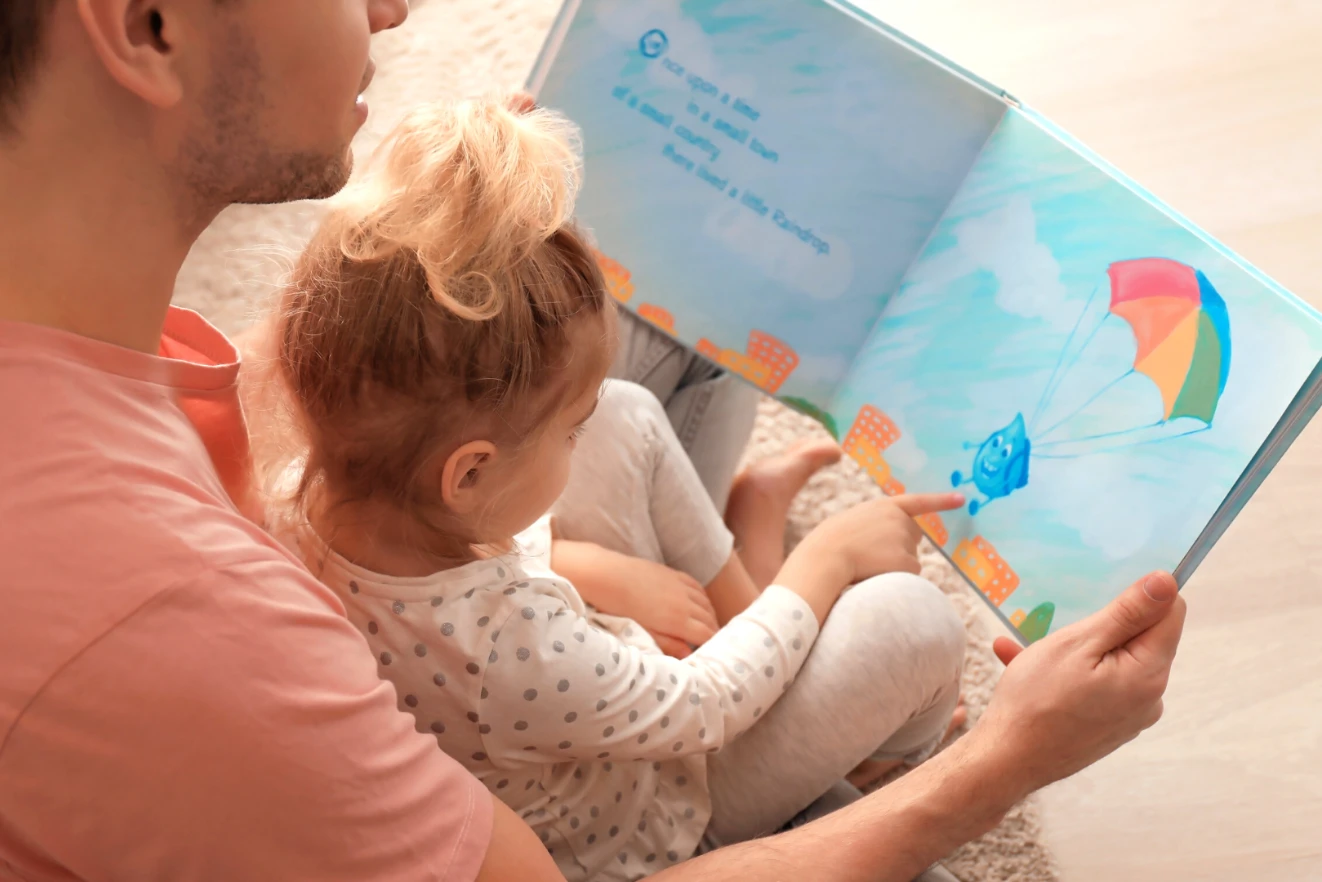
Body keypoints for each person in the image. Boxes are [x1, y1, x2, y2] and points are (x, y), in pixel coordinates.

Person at [0, 2, 1186, 881]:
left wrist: (448, 237)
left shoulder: (151, 387)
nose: (393, 10)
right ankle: (851, 752)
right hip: (626, 806)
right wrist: (1000, 764)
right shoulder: (175, 620)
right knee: (898, 639)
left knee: (628, 359)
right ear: (149, 25)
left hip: (538, 666)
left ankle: (760, 593)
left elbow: (344, 388)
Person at [252, 96, 969, 881]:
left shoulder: (302, 497)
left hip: (599, 711)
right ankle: (867, 768)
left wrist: (583, 563)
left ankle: (764, 598)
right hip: (667, 808)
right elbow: (706, 703)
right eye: (568, 434)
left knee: (624, 414)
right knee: (911, 620)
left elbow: (483, 549)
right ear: (469, 473)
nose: (576, 442)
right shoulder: (509, 643)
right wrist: (825, 561)